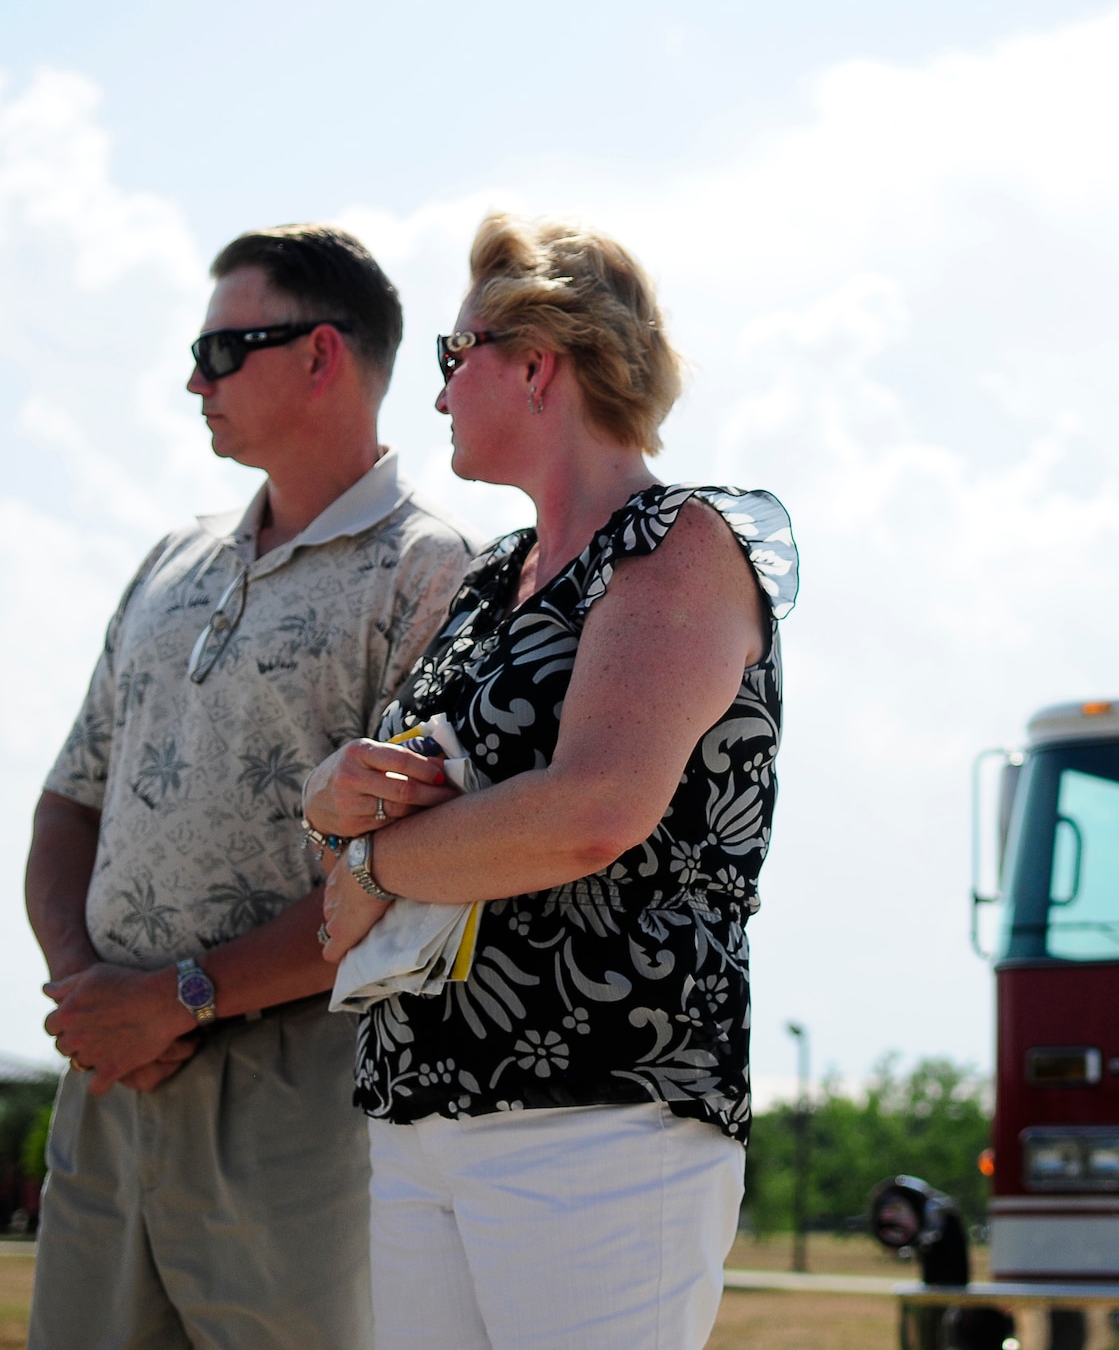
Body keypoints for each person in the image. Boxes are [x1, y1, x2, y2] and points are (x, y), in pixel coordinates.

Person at [303, 212, 797, 1350]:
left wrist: (373, 864)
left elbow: (591, 813)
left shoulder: (682, 541)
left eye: (452, 355)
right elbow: (430, 804)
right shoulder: (484, 584)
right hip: (419, 1105)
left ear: (535, 363)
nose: (436, 397)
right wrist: (334, 796)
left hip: (597, 1112)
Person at [28, 224, 476, 1350]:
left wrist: (183, 995)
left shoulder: (433, 573)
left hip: (297, 1092)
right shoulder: (169, 562)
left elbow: (412, 873)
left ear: (321, 354)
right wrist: (93, 992)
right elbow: (68, 801)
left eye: (221, 349)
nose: (194, 379)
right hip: (109, 1078)